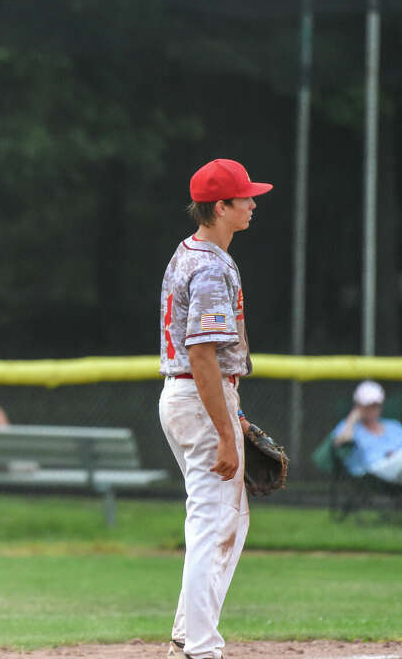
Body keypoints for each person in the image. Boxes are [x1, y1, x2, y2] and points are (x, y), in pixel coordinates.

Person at [158, 158, 271, 659]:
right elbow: (202, 353)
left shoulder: (193, 254)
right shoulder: (207, 267)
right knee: (213, 521)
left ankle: (188, 633)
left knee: (226, 519)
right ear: (219, 207)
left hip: (197, 396)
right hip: (198, 395)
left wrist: (235, 415)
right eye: (244, 197)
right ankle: (201, 647)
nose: (252, 203)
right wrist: (225, 432)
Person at [331, 380, 402, 484]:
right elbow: (341, 443)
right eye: (368, 405)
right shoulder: (348, 426)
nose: (372, 409)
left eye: (376, 405)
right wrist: (352, 418)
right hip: (370, 473)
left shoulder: (393, 425)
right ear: (358, 406)